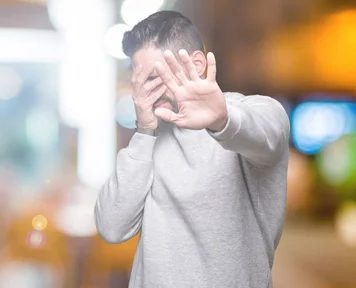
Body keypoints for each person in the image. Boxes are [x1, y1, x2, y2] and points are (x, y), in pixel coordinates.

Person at [94, 10, 290, 288]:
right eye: (138, 81)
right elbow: (111, 228)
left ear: (197, 64)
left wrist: (221, 119)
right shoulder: (148, 138)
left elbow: (266, 132)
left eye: (154, 77)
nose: (143, 93)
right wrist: (144, 131)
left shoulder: (257, 111)